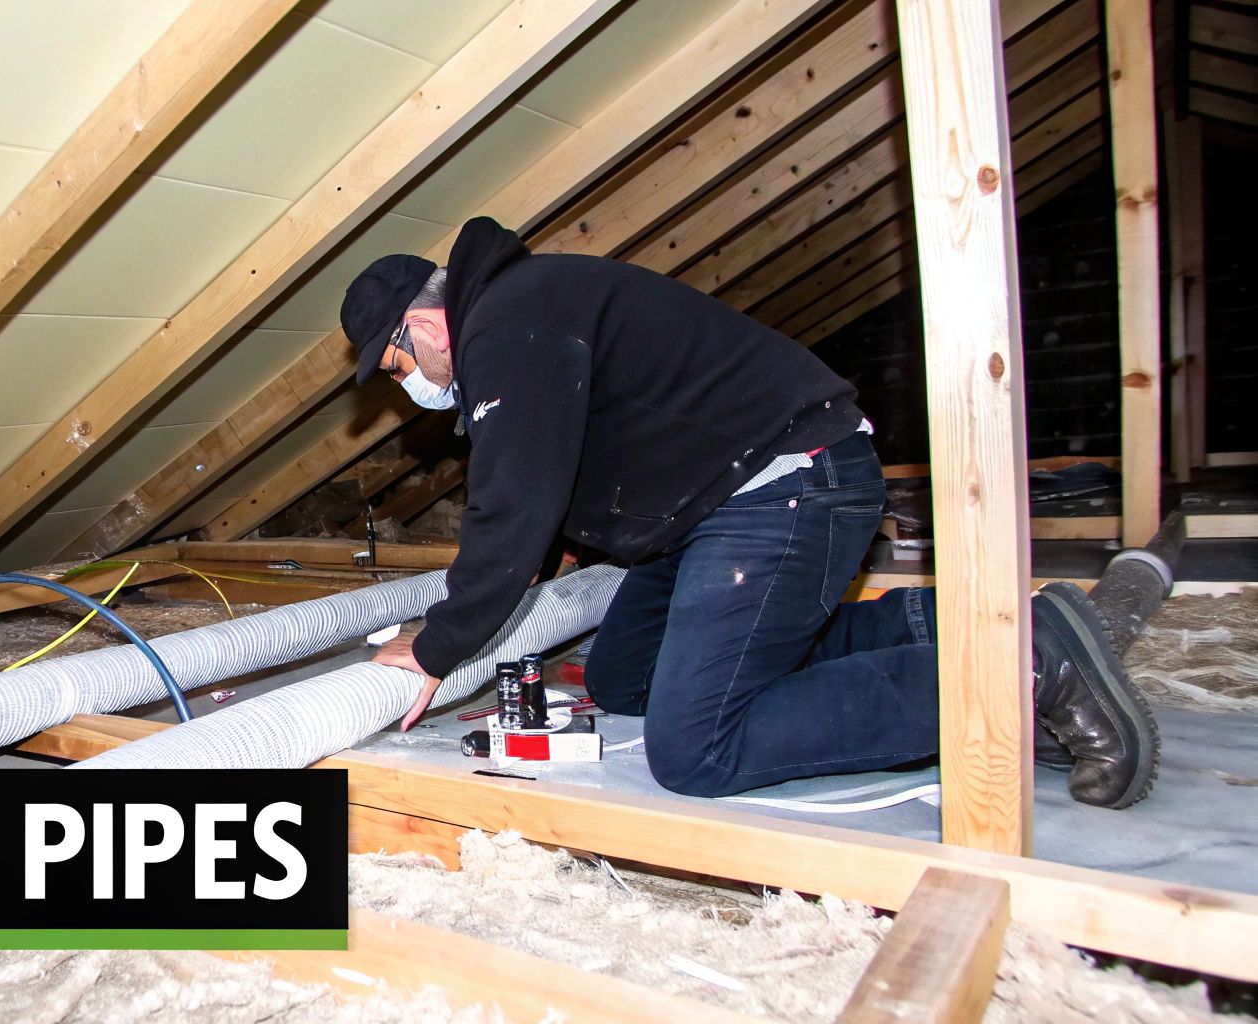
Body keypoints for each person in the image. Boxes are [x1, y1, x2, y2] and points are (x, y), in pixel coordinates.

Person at [339, 216, 1158, 808]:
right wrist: (563, 544)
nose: (406, 382)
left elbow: (510, 501)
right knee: (625, 676)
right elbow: (576, 454)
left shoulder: (506, 326)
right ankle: (948, 628)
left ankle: (1021, 669)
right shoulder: (527, 307)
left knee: (697, 748)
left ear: (421, 324)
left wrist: (437, 647)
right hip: (719, 503)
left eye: (397, 362)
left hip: (784, 485)